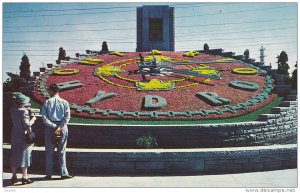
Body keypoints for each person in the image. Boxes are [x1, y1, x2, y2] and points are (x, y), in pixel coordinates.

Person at [41, 84, 73, 180]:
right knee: (62, 151)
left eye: (49, 90)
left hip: (50, 128)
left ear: (51, 91)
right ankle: (63, 173)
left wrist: (54, 126)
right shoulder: (65, 102)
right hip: (62, 128)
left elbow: (44, 118)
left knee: (49, 151)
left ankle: (48, 174)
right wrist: (60, 127)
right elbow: (67, 117)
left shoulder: (47, 102)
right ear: (58, 91)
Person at [9, 93, 36, 185]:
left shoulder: (12, 110)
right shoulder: (23, 111)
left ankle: (14, 176)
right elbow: (27, 125)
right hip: (23, 136)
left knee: (14, 154)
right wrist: (33, 119)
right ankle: (25, 177)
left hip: (15, 134)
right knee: (25, 155)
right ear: (23, 103)